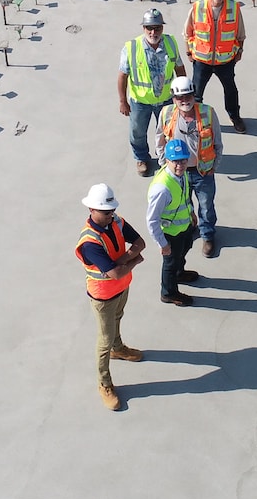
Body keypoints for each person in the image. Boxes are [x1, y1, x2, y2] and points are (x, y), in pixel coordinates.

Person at [75, 183, 146, 411]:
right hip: (103, 296)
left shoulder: (116, 221)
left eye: (112, 210)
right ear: (92, 210)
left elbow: (140, 242)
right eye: (106, 212)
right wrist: (132, 260)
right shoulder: (90, 243)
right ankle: (104, 383)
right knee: (103, 341)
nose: (111, 215)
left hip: (122, 288)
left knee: (118, 318)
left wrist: (123, 262)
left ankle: (119, 348)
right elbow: (115, 272)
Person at [155, 74, 222, 258]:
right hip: (178, 173)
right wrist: (164, 165)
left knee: (206, 206)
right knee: (184, 204)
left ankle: (207, 235)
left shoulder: (208, 112)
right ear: (174, 98)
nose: (185, 101)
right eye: (180, 97)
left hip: (203, 171)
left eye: (188, 96)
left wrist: (214, 166)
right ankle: (192, 227)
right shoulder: (166, 114)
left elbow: (217, 142)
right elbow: (160, 140)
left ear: (194, 95)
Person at [116, 7, 182, 177]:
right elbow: (122, 76)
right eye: (149, 28)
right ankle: (142, 158)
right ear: (143, 28)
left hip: (167, 99)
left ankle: (168, 158)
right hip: (140, 102)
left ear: (162, 28)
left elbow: (180, 69)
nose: (153, 32)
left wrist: (181, 96)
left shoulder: (170, 43)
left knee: (169, 131)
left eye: (157, 28)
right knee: (137, 132)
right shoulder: (131, 47)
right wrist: (123, 101)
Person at [185, 0, 246, 134]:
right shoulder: (198, 7)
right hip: (201, 61)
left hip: (225, 61)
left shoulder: (234, 7)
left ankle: (235, 117)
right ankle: (195, 121)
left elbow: (240, 34)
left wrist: (240, 50)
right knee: (196, 94)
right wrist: (188, 52)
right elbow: (188, 32)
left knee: (231, 90)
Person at [146, 138, 200, 306]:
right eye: (175, 161)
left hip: (183, 227)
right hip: (170, 234)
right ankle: (168, 292)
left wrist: (191, 213)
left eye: (183, 160)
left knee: (184, 249)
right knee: (170, 263)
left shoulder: (181, 174)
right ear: (167, 160)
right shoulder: (162, 189)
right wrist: (162, 243)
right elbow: (152, 220)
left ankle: (179, 272)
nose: (180, 165)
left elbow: (184, 196)